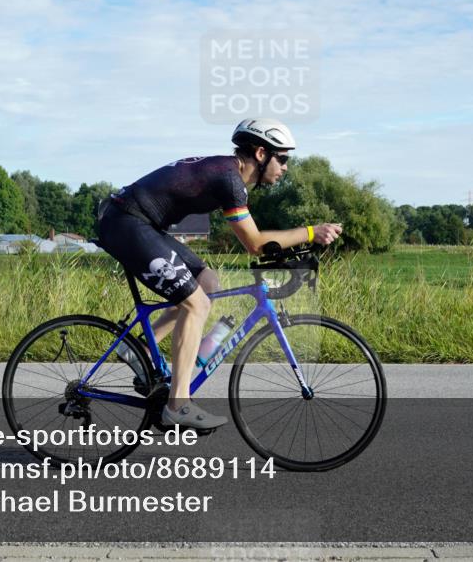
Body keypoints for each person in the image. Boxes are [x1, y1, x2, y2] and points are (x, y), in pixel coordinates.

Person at [96, 118, 342, 430]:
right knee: (196, 304)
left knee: (207, 283)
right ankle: (178, 405)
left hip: (138, 222)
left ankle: (142, 350)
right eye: (283, 158)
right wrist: (310, 232)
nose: (286, 167)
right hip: (126, 222)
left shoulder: (229, 174)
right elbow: (254, 244)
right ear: (261, 153)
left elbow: (257, 243)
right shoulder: (229, 179)